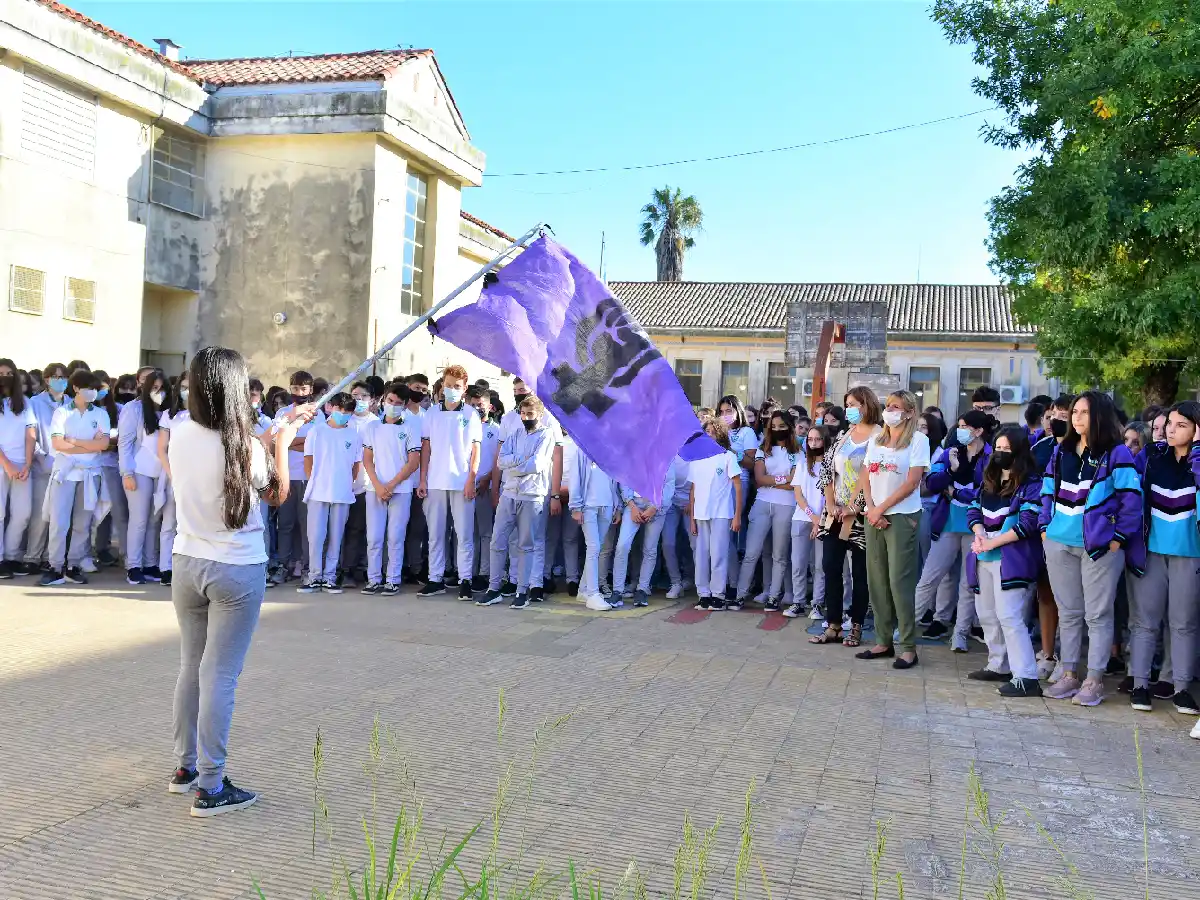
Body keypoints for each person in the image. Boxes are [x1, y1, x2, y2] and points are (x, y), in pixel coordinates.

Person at [167, 346, 312, 816]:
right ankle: (212, 786)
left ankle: (186, 768)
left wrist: (276, 434)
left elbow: (235, 454)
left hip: (187, 561)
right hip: (237, 568)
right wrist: (282, 445)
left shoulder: (180, 432)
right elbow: (276, 493)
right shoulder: (245, 445)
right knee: (220, 675)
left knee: (192, 668)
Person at [1039, 390, 1142, 707]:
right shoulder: (1062, 450)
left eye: (1083, 412)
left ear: (1099, 416)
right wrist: (1045, 528)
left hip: (1099, 547)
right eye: (1074, 412)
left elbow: (1131, 500)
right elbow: (1046, 490)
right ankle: (1069, 673)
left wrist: (1118, 538)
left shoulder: (1117, 453)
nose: (1076, 418)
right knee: (1069, 613)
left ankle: (1094, 680)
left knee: (1098, 614)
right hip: (1059, 542)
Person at [1126, 402, 1200, 715]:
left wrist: (1198, 450)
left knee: (1183, 623)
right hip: (1150, 552)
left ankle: (1181, 689)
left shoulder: (1197, 462)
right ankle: (1140, 685)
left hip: (1189, 554)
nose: (1171, 430)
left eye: (1181, 425)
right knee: (1145, 621)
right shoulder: (1151, 455)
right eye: (1170, 423)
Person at [966, 426, 1044, 696]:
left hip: (1011, 560)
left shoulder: (1032, 483)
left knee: (1010, 616)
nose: (1000, 453)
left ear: (1019, 452)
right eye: (997, 448)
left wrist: (993, 541)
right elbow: (973, 509)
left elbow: (1029, 523)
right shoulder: (989, 478)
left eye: (1006, 449)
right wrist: (979, 534)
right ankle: (999, 664)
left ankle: (1026, 676)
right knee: (987, 614)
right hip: (983, 555)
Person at [859, 390, 929, 669]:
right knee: (877, 580)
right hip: (875, 515)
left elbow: (912, 482)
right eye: (888, 406)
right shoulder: (877, 439)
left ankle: (908, 647)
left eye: (896, 407)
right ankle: (883, 640)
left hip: (902, 516)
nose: (890, 411)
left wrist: (881, 509)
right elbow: (865, 474)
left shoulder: (918, 440)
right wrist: (872, 508)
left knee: (899, 581)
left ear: (909, 412)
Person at [914, 410, 993, 650]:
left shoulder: (991, 456)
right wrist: (951, 471)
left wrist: (955, 492)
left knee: (968, 584)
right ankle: (907, 625)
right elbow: (931, 482)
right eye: (959, 425)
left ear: (978, 431)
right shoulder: (951, 453)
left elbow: (986, 492)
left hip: (975, 526)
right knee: (929, 576)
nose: (960, 431)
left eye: (965, 426)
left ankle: (960, 634)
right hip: (947, 523)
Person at [809, 387, 881, 647]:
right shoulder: (844, 435)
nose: (849, 409)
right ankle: (833, 625)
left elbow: (877, 476)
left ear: (867, 405)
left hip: (862, 515)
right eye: (847, 404)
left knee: (860, 573)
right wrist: (830, 503)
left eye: (854, 404)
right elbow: (827, 470)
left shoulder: (880, 436)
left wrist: (855, 506)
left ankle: (857, 626)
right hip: (835, 513)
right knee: (830, 567)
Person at [480, 395, 556, 609]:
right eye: (523, 413)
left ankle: (522, 591)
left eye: (530, 414)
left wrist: (514, 465)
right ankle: (493, 589)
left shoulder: (546, 434)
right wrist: (521, 461)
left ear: (539, 414)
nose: (526, 417)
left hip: (532, 496)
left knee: (526, 545)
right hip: (509, 493)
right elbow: (501, 461)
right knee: (497, 541)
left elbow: (537, 464)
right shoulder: (515, 434)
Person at [40, 369, 111, 586]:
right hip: (65, 473)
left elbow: (103, 444)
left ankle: (73, 565)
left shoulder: (101, 414)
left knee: (83, 523)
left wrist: (74, 442)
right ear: (76, 388)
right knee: (59, 522)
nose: (92, 392)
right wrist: (89, 445)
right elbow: (58, 444)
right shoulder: (62, 413)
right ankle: (55, 566)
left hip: (90, 474)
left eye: (95, 389)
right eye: (88, 388)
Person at [417, 364, 480, 600]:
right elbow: (426, 448)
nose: (451, 389)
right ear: (442, 385)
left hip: (461, 481)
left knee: (464, 534)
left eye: (457, 386)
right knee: (435, 533)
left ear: (464, 389)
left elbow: (475, 450)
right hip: (435, 481)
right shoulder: (432, 413)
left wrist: (471, 479)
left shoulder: (470, 414)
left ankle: (465, 579)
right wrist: (423, 479)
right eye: (448, 385)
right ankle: (435, 579)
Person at [733, 409, 799, 610]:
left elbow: (795, 483)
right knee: (752, 552)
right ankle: (740, 594)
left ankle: (773, 596)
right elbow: (760, 479)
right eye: (774, 426)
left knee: (779, 554)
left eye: (782, 426)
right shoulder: (763, 449)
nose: (777, 429)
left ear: (789, 427)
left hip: (786, 506)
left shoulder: (797, 453)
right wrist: (783, 479)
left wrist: (774, 481)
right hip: (762, 504)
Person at [361, 384, 422, 596]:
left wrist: (392, 484)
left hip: (401, 489)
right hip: (375, 489)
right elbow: (367, 460)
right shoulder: (372, 427)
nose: (393, 406)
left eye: (398, 403)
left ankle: (393, 579)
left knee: (396, 537)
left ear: (404, 405)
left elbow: (413, 462)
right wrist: (379, 486)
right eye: (390, 401)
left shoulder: (411, 428)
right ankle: (373, 579)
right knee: (374, 537)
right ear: (383, 399)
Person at [299, 393, 362, 594]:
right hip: (318, 492)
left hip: (342, 493)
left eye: (347, 411)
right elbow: (308, 460)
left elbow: (356, 465)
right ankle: (314, 577)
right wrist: (315, 481)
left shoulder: (354, 434)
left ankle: (330, 577)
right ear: (331, 408)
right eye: (339, 409)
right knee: (315, 537)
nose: (342, 413)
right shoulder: (317, 431)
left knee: (336, 536)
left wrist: (346, 483)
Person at [1030, 393, 1072, 677]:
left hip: (1072, 533)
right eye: (1054, 415)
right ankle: (1047, 654)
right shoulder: (1041, 448)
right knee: (1045, 594)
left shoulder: (1086, 450)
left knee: (1069, 601)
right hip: (1043, 531)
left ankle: (1069, 661)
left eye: (1064, 416)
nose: (1057, 420)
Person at [271, 371, 320, 585]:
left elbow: (314, 444)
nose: (299, 393)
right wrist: (293, 441)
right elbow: (275, 441)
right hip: (285, 477)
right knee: (285, 524)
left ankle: (307, 567)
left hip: (308, 478)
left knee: (307, 525)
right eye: (295, 388)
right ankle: (284, 565)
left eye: (304, 389)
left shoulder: (318, 414)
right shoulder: (283, 413)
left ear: (311, 390)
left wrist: (289, 441)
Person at [20, 362, 70, 574]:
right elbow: (31, 435)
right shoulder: (34, 403)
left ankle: (51, 557)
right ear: (47, 379)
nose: (60, 381)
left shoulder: (71, 404)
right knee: (40, 516)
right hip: (43, 465)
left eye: (63, 377)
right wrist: (41, 457)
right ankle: (32, 556)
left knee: (59, 517)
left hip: (66, 466)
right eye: (55, 377)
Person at [119, 371, 168, 584]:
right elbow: (124, 443)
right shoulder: (134, 409)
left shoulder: (168, 412)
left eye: (162, 388)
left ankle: (150, 563)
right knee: (139, 520)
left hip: (161, 472)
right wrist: (127, 472)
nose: (159, 392)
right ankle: (133, 566)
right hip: (138, 471)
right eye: (154, 388)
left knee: (154, 520)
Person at [689, 417, 743, 611]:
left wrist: (737, 515)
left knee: (719, 554)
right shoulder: (697, 459)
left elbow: (738, 487)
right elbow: (693, 490)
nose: (709, 435)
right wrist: (692, 519)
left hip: (721, 513)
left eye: (712, 432)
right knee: (701, 555)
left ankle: (718, 595)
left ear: (720, 434)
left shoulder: (727, 456)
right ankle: (703, 594)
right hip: (701, 513)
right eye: (706, 432)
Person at [611, 459, 676, 608]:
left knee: (650, 549)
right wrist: (631, 505)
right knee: (622, 546)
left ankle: (642, 589)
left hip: (657, 507)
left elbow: (669, 485)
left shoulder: (666, 456)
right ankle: (617, 591)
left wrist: (655, 507)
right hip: (634, 504)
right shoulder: (634, 452)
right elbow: (624, 478)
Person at [569, 441, 621, 611]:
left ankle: (583, 590)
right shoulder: (582, 449)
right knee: (594, 547)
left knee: (596, 548)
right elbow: (575, 477)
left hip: (607, 505)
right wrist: (575, 506)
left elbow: (616, 479)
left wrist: (617, 507)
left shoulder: (611, 449)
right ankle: (592, 594)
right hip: (588, 507)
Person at [784, 424, 828, 618]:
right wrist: (813, 517)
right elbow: (798, 495)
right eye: (810, 439)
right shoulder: (802, 464)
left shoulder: (831, 465)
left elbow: (832, 496)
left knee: (819, 566)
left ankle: (817, 604)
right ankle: (798, 602)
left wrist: (819, 521)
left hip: (825, 521)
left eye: (818, 439)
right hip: (802, 518)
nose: (813, 443)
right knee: (798, 564)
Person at [154, 371, 191, 587]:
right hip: (173, 476)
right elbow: (162, 449)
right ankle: (165, 568)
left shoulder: (207, 414)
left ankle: (187, 569)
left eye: (191, 387)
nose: (187, 391)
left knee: (192, 525)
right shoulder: (169, 415)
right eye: (184, 387)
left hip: (197, 477)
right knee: (169, 524)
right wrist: (172, 475)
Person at [0, 359, 36, 578]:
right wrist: (6, 464)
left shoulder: (24, 402)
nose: (4, 377)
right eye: (0, 373)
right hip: (2, 463)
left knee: (23, 513)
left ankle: (12, 556)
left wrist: (27, 464)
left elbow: (30, 434)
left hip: (22, 465)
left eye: (8, 373)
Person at [466, 385, 501, 593]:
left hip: (485, 487)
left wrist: (487, 479)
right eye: (473, 405)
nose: (477, 408)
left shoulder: (497, 430)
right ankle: (467, 572)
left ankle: (485, 572)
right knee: (467, 533)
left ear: (489, 406)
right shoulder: (464, 427)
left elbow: (498, 460)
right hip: (466, 486)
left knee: (486, 532)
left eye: (480, 405)